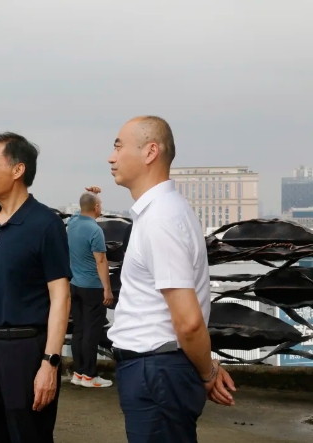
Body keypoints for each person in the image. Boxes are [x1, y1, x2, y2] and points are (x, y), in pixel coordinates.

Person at [104, 116, 236, 443]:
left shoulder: (161, 219)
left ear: (150, 152)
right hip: (157, 370)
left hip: (156, 373)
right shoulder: (163, 212)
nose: (111, 157)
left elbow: (188, 322)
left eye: (119, 147)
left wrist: (207, 372)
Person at [0, 132, 71, 443]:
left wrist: (50, 363)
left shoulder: (46, 224)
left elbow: (61, 298)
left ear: (17, 170)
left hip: (25, 351)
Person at [66, 191, 113, 388]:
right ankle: (89, 375)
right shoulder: (95, 230)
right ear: (96, 207)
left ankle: (78, 373)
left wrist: (91, 195)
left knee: (79, 330)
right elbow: (101, 261)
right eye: (99, 203)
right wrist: (107, 289)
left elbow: (82, 208)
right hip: (92, 287)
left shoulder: (73, 223)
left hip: (74, 285)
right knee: (92, 332)